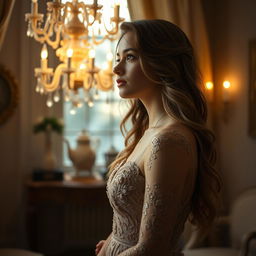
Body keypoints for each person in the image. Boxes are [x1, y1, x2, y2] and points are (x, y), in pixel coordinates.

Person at [95, 19, 222, 256]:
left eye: (130, 57)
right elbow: (130, 219)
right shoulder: (148, 133)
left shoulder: (168, 141)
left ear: (162, 63)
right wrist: (112, 241)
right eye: (118, 58)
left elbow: (151, 249)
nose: (116, 68)